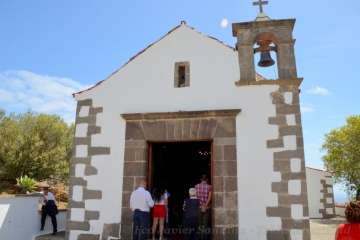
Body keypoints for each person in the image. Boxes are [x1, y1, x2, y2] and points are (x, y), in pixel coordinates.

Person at [195, 175, 212, 240]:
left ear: (201, 179)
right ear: (207, 179)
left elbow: (196, 197)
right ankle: (204, 238)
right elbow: (210, 197)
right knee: (205, 225)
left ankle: (200, 238)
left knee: (199, 224)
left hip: (199, 207)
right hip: (206, 208)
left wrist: (201, 206)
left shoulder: (196, 186)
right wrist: (205, 205)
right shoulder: (209, 187)